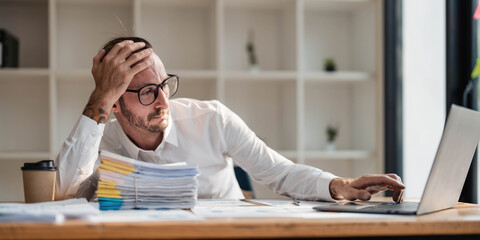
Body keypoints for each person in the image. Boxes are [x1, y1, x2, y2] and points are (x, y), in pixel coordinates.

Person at [55, 37, 405, 203]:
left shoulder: (211, 119)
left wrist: (340, 185)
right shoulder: (99, 137)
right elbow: (65, 191)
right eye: (147, 92)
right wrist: (99, 98)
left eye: (164, 85)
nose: (163, 101)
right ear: (114, 104)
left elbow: (280, 173)